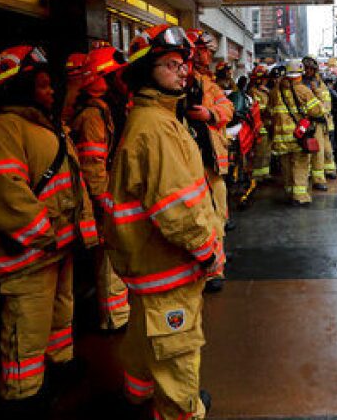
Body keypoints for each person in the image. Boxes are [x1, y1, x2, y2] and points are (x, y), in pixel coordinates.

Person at [103, 25, 224, 420]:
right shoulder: (156, 129)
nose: (182, 72)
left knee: (143, 334)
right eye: (170, 65)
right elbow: (177, 210)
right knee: (178, 352)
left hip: (148, 267)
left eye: (182, 64)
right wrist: (208, 253)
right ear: (144, 72)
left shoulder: (155, 120)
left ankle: (138, 393)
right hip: (167, 268)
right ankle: (180, 411)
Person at [0, 46, 97, 416]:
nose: (51, 91)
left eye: (50, 85)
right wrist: (46, 233)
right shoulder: (4, 130)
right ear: (20, 89)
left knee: (59, 315)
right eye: (43, 86)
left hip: (56, 247)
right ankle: (23, 392)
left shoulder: (45, 126)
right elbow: (4, 190)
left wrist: (79, 234)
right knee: (26, 326)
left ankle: (59, 366)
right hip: (28, 254)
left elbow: (70, 182)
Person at [70, 45, 130, 332]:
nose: (123, 78)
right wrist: (105, 200)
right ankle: (113, 318)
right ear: (101, 78)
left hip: (114, 192)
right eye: (116, 74)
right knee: (108, 255)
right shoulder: (94, 116)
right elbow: (92, 164)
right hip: (105, 196)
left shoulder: (109, 108)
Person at [184, 28, 234, 292]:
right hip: (185, 165)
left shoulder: (206, 84)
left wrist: (209, 114)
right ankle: (207, 267)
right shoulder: (172, 85)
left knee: (216, 212)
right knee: (198, 215)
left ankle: (215, 268)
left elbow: (228, 108)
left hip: (209, 162)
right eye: (205, 51)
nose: (208, 57)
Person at [271, 59, 324, 205]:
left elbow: (270, 112)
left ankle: (290, 192)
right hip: (297, 136)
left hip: (280, 138)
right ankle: (300, 197)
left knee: (286, 165)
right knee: (300, 164)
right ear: (300, 74)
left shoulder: (276, 91)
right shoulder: (303, 90)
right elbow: (317, 111)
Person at [301, 57, 335, 189]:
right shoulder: (304, 84)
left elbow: (326, 102)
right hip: (312, 121)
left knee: (326, 149)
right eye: (306, 68)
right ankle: (318, 179)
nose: (308, 71)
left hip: (324, 121)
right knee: (317, 151)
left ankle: (328, 170)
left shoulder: (319, 82)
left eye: (311, 68)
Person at [247, 65, 272, 181]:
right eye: (265, 78)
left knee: (267, 151)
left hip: (267, 125)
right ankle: (256, 175)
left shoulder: (265, 91)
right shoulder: (253, 91)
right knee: (259, 152)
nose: (266, 80)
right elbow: (258, 109)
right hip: (259, 126)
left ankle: (264, 173)